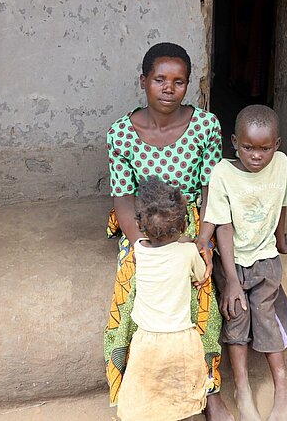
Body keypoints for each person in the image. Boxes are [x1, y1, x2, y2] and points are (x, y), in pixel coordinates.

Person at [104, 42, 233, 421]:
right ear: (143, 82)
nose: (168, 88)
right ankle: (136, 387)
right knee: (130, 297)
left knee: (202, 294)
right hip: (142, 225)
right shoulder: (121, 134)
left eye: (178, 82)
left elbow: (213, 186)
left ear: (188, 85)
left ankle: (208, 389)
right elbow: (124, 199)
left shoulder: (206, 126)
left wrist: (202, 238)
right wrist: (142, 244)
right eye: (159, 79)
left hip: (191, 219)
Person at [198, 105, 287, 421]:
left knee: (265, 314)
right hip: (234, 263)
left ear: (277, 145)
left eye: (265, 148)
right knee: (236, 318)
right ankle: (243, 391)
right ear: (234, 142)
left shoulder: (280, 165)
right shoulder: (223, 174)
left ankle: (282, 389)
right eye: (248, 147)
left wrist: (281, 241)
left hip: (266, 259)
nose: (256, 155)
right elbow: (222, 226)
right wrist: (230, 279)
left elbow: (283, 203)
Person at [117, 176, 209, 421]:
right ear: (182, 226)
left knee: (145, 397)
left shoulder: (139, 251)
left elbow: (149, 245)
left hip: (146, 341)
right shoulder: (188, 251)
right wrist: (189, 245)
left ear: (140, 224)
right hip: (181, 340)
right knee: (183, 400)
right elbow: (200, 275)